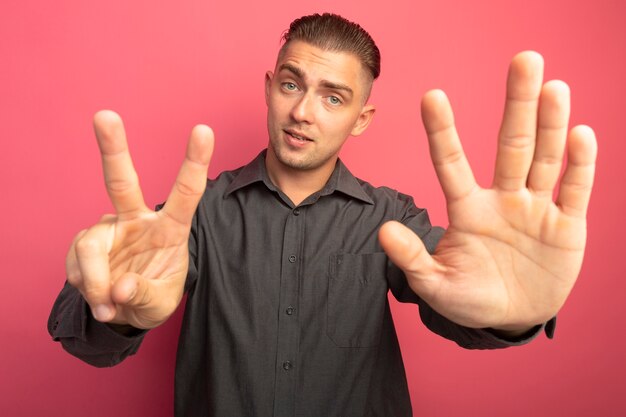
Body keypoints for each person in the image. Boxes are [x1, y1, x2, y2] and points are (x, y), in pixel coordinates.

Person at [48, 13, 597, 417]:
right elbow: (84, 337)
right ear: (270, 88)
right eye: (292, 84)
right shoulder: (197, 213)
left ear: (362, 118)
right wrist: (114, 309)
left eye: (334, 98)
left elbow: (458, 299)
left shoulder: (391, 216)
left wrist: (512, 316)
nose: (303, 112)